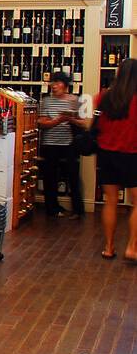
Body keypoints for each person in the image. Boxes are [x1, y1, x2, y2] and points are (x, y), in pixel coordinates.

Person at [93, 57, 137, 261]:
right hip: (132, 154)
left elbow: (94, 124)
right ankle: (132, 248)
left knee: (110, 201)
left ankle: (109, 248)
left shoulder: (104, 97)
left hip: (106, 154)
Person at [38, 72, 85, 219]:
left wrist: (71, 119)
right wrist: (58, 120)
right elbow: (41, 123)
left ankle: (78, 210)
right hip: (50, 144)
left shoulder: (74, 100)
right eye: (52, 83)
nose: (54, 86)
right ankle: (52, 209)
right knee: (50, 179)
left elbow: (83, 123)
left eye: (57, 83)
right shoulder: (46, 101)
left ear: (65, 86)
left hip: (69, 144)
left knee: (73, 177)